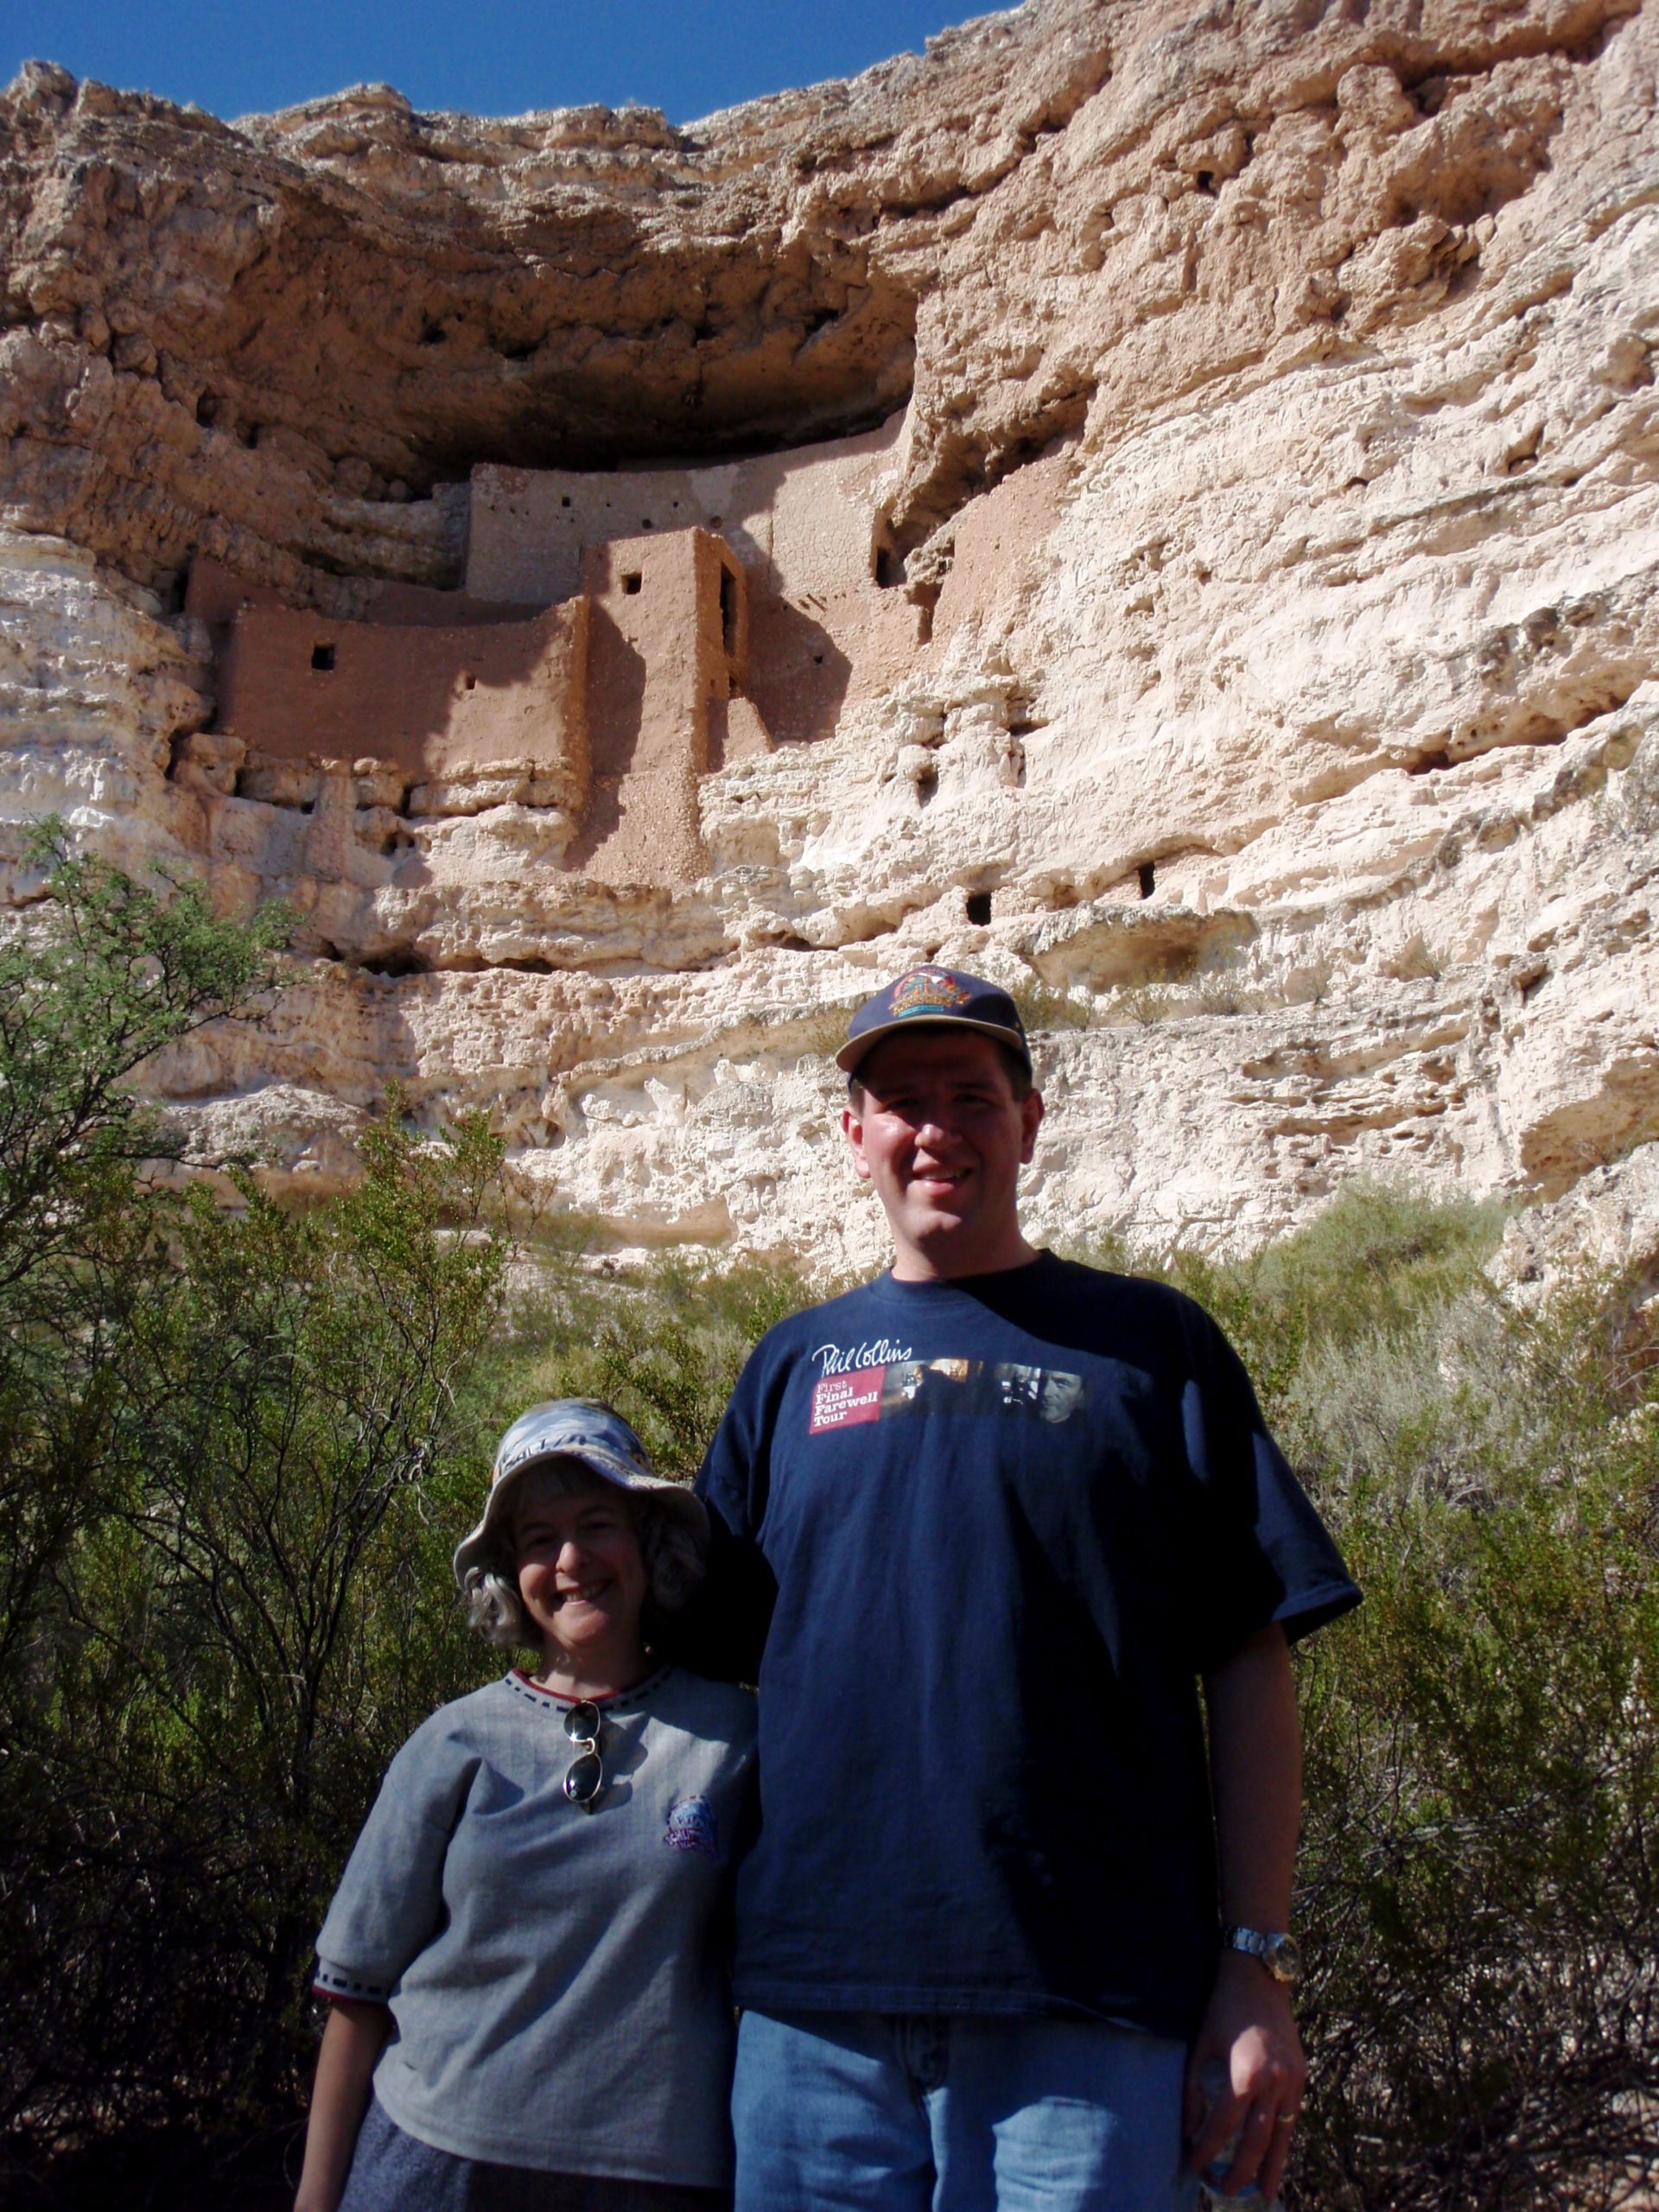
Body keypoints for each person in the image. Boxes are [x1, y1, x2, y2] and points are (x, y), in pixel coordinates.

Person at [680, 966, 1362, 2212]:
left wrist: (1254, 1963)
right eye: (901, 1102)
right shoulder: (791, 1367)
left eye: (972, 1097)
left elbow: (1251, 1656)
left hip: (1088, 2004)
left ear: (1031, 1122)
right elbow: (698, 1666)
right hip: (810, 2010)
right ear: (854, 1136)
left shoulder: (1154, 1347)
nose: (937, 1130)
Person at [294, 1400, 757, 2212]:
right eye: (540, 1540)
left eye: (597, 1524)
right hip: (432, 2164)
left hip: (656, 2177)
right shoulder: (453, 1743)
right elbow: (356, 1996)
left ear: (649, 1540)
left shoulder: (735, 1738)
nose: (572, 1560)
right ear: (511, 1573)